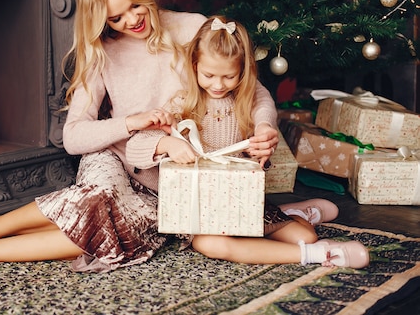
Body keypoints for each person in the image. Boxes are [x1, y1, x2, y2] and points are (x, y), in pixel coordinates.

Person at [0, 0, 349, 271]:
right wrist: (133, 123)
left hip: (173, 170)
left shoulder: (193, 29)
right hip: (116, 154)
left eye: (135, 5)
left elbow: (254, 90)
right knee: (97, 205)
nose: (132, 20)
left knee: (108, 228)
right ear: (102, 22)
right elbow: (75, 137)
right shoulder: (101, 56)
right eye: (116, 18)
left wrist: (266, 124)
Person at [125, 15, 369, 268]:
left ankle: (296, 213)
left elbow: (260, 146)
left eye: (229, 77)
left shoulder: (246, 104)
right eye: (209, 75)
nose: (218, 85)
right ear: (195, 65)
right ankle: (319, 255)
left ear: (243, 71)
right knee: (210, 245)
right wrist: (166, 144)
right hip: (200, 207)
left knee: (306, 235)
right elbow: (134, 148)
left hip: (239, 200)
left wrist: (261, 151)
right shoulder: (181, 103)